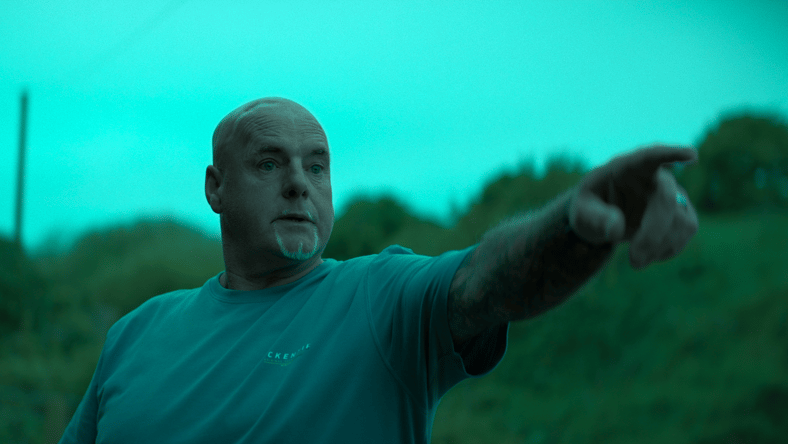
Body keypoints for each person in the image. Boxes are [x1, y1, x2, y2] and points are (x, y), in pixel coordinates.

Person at [58, 97, 510, 443]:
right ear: (216, 188)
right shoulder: (133, 334)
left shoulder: (381, 297)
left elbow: (485, 279)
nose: (298, 184)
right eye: (270, 164)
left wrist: (555, 231)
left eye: (316, 167)